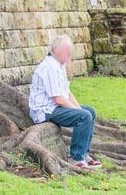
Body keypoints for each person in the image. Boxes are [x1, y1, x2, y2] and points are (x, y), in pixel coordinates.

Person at [29, 34, 101, 171]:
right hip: (44, 111)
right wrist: (79, 112)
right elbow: (58, 99)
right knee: (84, 116)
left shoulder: (58, 66)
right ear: (57, 50)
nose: (69, 56)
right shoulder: (49, 67)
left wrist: (79, 108)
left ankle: (83, 153)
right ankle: (75, 158)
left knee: (90, 112)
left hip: (55, 107)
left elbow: (66, 93)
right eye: (67, 52)